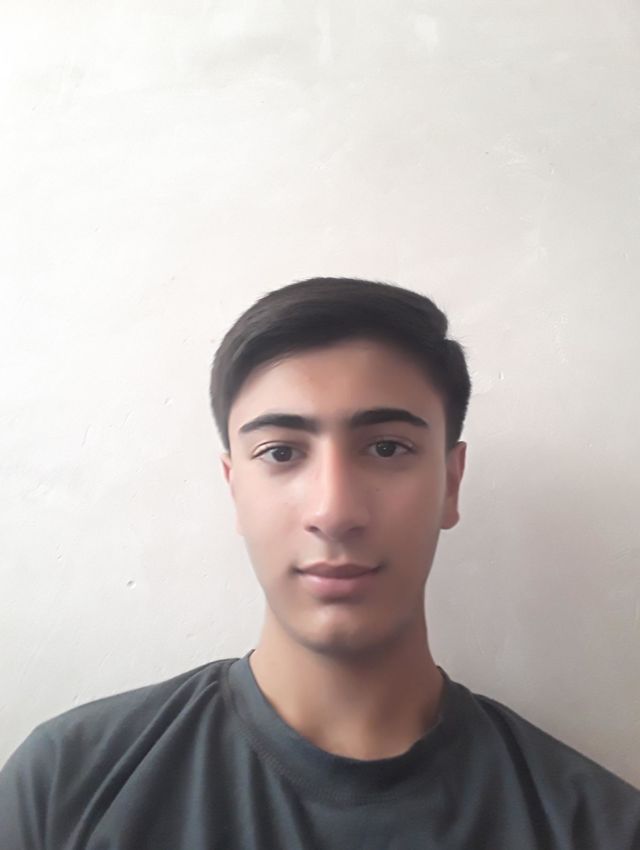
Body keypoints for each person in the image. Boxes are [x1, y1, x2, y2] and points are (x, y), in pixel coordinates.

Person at [1, 277, 638, 849]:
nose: (334, 512)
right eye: (281, 453)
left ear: (450, 483)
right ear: (234, 488)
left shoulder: (597, 827)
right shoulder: (65, 786)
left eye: (386, 448)